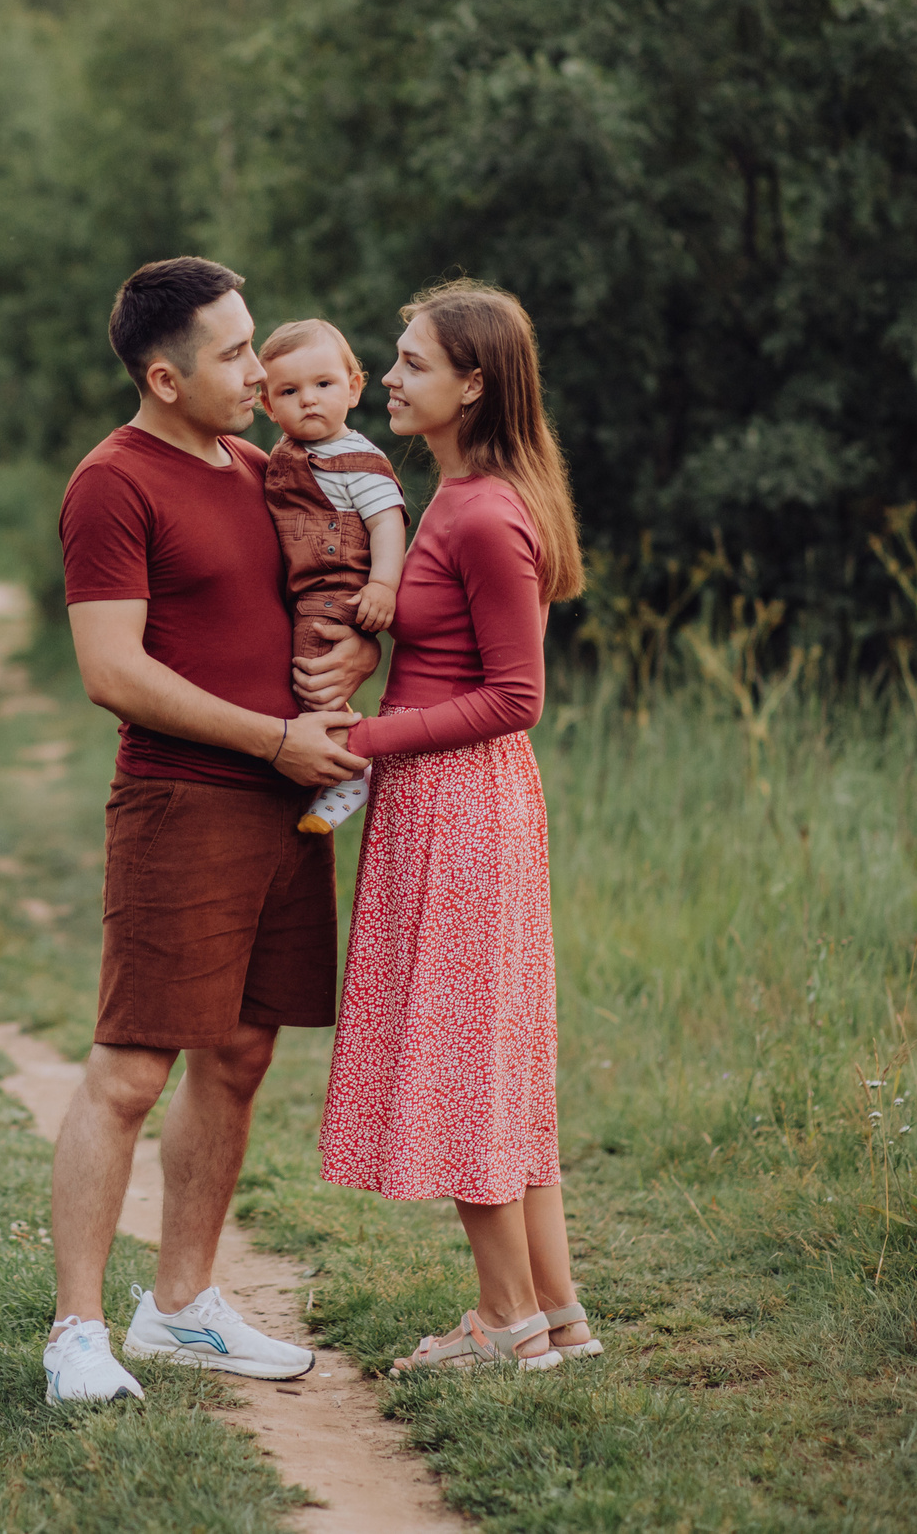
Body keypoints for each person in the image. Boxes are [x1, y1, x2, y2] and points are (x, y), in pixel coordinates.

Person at [41, 257, 381, 1404]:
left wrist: (358, 652)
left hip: (285, 807)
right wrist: (268, 738)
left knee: (238, 1055)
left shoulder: (261, 466)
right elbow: (110, 670)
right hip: (182, 803)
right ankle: (76, 1335)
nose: (260, 367)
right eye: (234, 355)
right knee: (132, 1069)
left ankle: (180, 1307)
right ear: (163, 375)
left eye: (254, 344)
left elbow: (331, 587)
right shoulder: (111, 484)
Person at [310, 278, 604, 1372]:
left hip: (458, 804)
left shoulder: (482, 512)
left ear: (473, 385)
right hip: (462, 799)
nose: (388, 376)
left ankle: (501, 1322)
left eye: (412, 363)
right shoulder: (463, 492)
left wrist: (366, 738)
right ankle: (556, 1314)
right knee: (501, 1064)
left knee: (466, 1062)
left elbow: (517, 698)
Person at [256, 319, 409, 835]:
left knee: (313, 670)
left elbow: (387, 522)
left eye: (324, 385)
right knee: (303, 669)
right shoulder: (279, 458)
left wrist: (383, 586)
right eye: (289, 391)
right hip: (304, 588)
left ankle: (349, 765)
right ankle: (341, 754)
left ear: (354, 386)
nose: (309, 400)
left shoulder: (359, 461)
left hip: (340, 591)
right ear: (268, 406)